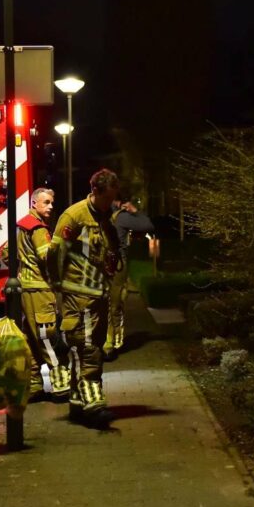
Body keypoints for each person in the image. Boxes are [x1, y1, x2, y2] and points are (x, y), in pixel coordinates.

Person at [48, 169, 122, 428]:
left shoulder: (104, 217)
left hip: (97, 293)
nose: (110, 203)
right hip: (78, 294)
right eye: (107, 198)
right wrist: (57, 285)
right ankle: (93, 403)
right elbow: (55, 251)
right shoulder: (74, 216)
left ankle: (78, 403)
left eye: (113, 198)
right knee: (87, 346)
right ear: (95, 191)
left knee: (92, 343)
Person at [17, 188, 70, 401]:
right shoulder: (38, 228)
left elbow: (6, 253)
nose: (50, 206)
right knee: (48, 335)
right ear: (34, 204)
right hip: (40, 290)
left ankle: (34, 384)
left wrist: (23, 268)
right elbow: (47, 257)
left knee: (30, 338)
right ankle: (62, 384)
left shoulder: (22, 226)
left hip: (25, 290)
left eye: (51, 202)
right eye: (46, 202)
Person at [104, 199, 154, 359]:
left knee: (103, 303)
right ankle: (113, 342)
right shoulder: (122, 217)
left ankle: (106, 342)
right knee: (115, 302)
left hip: (98, 264)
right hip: (117, 265)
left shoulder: (94, 215)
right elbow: (147, 225)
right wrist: (134, 211)